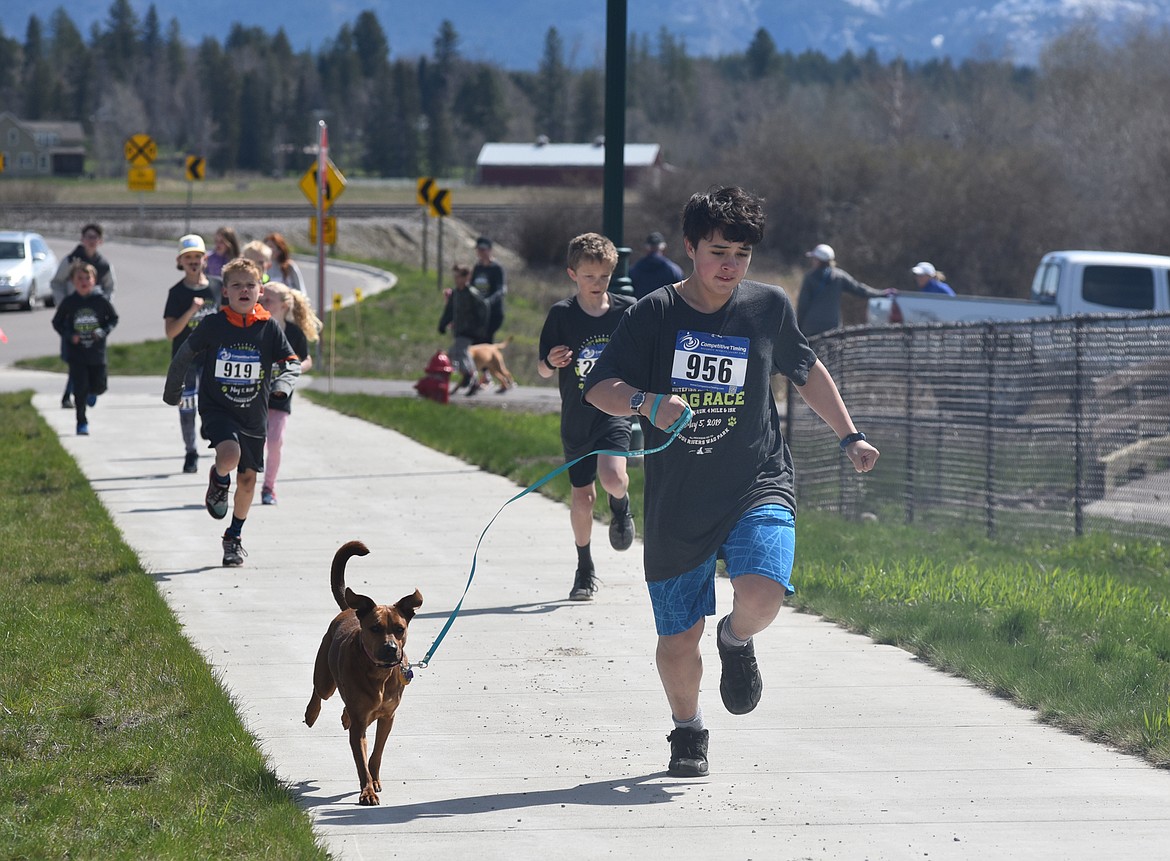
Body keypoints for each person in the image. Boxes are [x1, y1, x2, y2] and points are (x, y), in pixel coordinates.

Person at [583, 186, 879, 778]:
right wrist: (645, 402)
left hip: (756, 479)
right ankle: (688, 730)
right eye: (719, 251)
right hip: (679, 500)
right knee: (677, 639)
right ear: (689, 247)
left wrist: (850, 436)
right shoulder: (655, 314)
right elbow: (599, 385)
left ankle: (737, 640)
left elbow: (805, 369)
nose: (730, 266)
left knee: (765, 592)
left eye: (741, 255)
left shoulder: (766, 306)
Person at [162, 258, 301, 568]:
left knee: (249, 481)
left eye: (250, 285)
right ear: (224, 291)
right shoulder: (214, 324)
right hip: (218, 408)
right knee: (229, 455)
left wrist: (282, 383)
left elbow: (290, 362)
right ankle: (220, 477)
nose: (244, 290)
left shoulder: (268, 328)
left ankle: (233, 537)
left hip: (253, 415)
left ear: (260, 290)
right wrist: (173, 391)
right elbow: (185, 352)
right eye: (236, 285)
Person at [538, 232, 638, 601]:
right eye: (589, 277)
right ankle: (585, 568)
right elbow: (543, 369)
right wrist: (551, 361)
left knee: (613, 478)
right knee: (582, 498)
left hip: (613, 410)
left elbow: (646, 355)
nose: (597, 284)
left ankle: (621, 505)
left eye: (604, 277)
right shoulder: (562, 315)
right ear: (573, 274)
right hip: (576, 418)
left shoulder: (628, 310)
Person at [163, 234, 223, 474]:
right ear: (180, 261)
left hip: (212, 357)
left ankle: (207, 428)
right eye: (188, 257)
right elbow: (170, 332)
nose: (193, 261)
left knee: (212, 403)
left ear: (205, 259)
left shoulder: (218, 286)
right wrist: (191, 311)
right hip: (185, 358)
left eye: (197, 256)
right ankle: (191, 452)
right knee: (186, 406)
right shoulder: (176, 293)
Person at [258, 281, 321, 506]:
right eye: (262, 299)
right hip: (252, 394)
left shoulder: (293, 333)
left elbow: (306, 359)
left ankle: (269, 487)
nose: (263, 303)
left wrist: (295, 369)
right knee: (249, 443)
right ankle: (239, 481)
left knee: (274, 441)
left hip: (280, 395)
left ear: (285, 305)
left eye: (269, 301)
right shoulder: (256, 327)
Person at [51, 224, 116, 409]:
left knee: (91, 360)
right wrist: (65, 305)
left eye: (95, 237)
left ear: (100, 241)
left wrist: (104, 307)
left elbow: (110, 287)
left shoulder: (104, 265)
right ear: (82, 238)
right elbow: (56, 283)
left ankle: (89, 391)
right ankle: (68, 396)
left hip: (93, 320)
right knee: (75, 357)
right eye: (88, 236)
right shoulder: (71, 260)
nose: (91, 240)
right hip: (73, 318)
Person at [51, 261, 118, 436]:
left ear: (94, 280)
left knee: (100, 386)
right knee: (80, 389)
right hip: (77, 354)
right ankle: (81, 422)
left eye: (87, 278)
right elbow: (56, 322)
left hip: (97, 353)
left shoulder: (100, 301)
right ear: (73, 281)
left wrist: (103, 331)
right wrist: (69, 335)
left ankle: (92, 392)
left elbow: (113, 318)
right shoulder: (69, 302)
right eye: (79, 278)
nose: (83, 281)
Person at [796, 243, 884, 336]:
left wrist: (798, 326)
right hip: (832, 327)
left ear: (818, 261)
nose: (813, 261)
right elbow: (860, 290)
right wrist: (882, 293)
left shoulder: (809, 277)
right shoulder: (839, 276)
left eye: (814, 259)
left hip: (811, 327)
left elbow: (803, 305)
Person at [438, 263, 489, 396]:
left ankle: (469, 375)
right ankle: (474, 381)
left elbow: (484, 308)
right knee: (454, 352)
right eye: (455, 276)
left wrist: (480, 326)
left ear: (467, 277)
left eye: (459, 276)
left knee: (459, 351)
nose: (456, 279)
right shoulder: (455, 294)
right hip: (459, 330)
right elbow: (449, 311)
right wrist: (443, 324)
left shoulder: (472, 293)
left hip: (469, 330)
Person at [629, 231, 684, 300]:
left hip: (642, 309)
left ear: (646, 247)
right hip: (666, 309)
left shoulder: (635, 270)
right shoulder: (673, 270)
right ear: (663, 247)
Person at [264, 232, 307, 302]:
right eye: (266, 247)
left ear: (279, 250)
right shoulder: (263, 268)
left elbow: (301, 290)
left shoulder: (289, 267)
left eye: (271, 247)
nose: (268, 250)